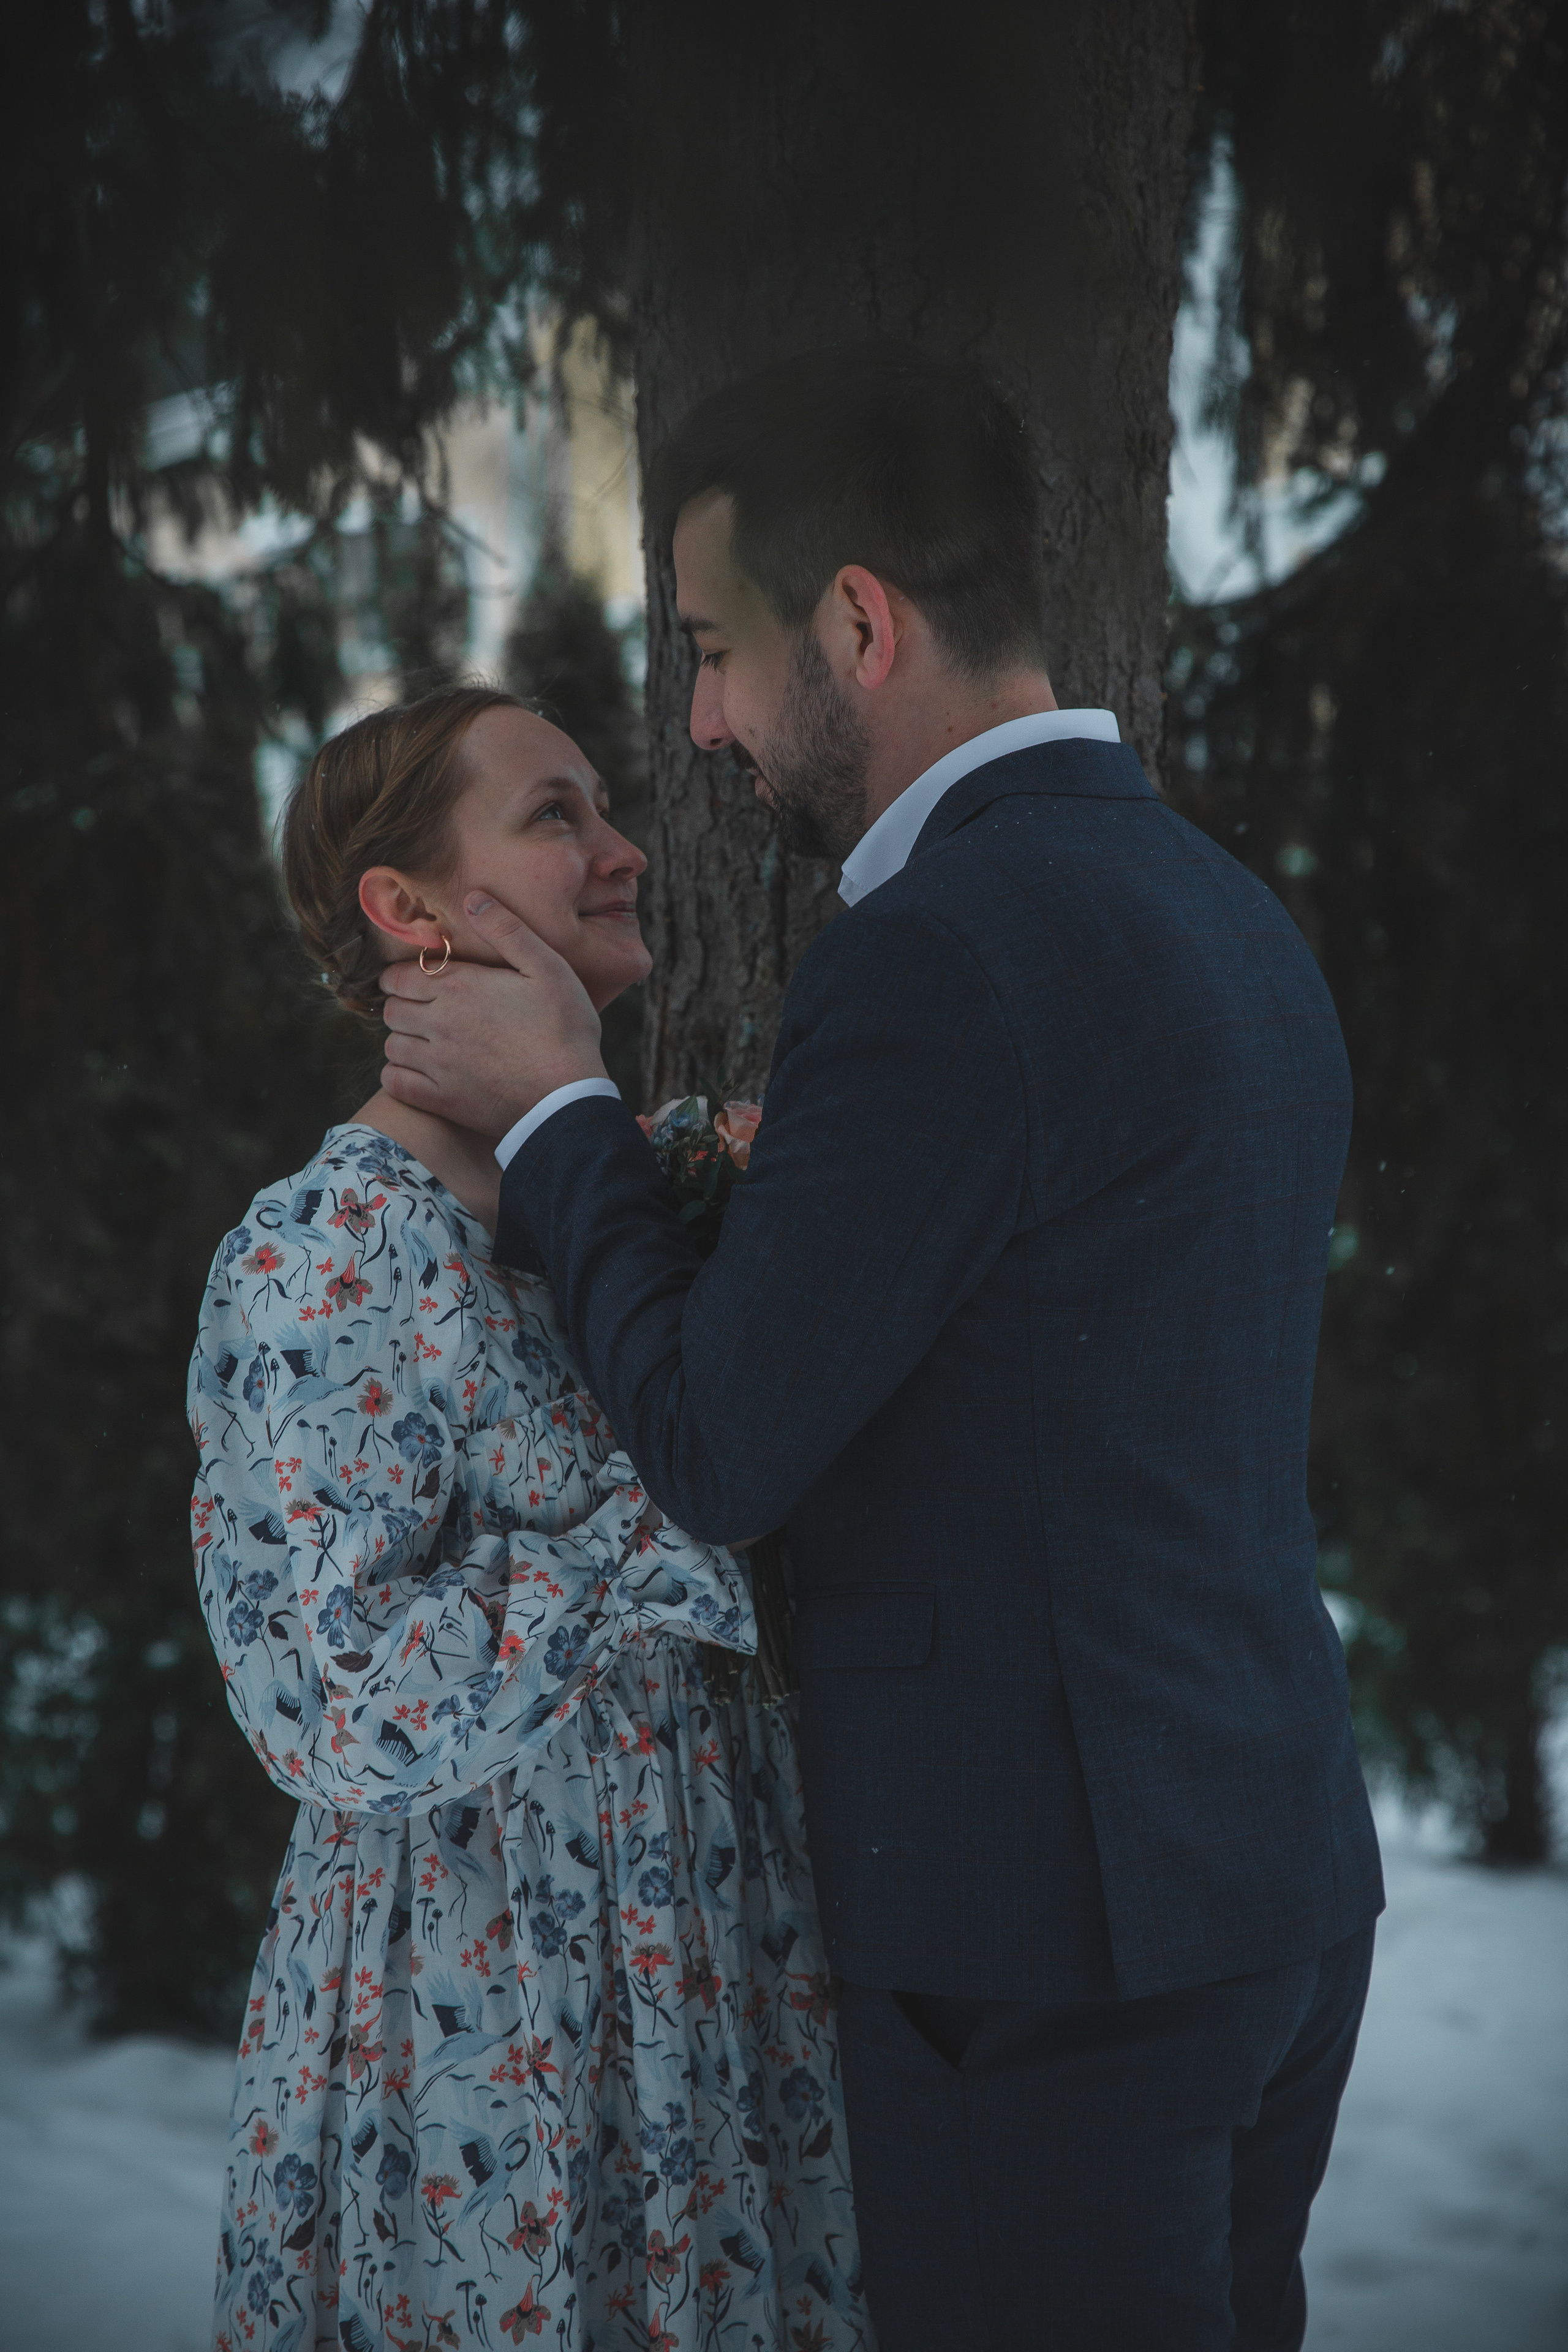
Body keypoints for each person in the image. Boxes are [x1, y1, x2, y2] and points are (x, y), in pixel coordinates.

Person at [376, 345, 1387, 2351]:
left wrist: (567, 1109)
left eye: (714, 653)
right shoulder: (1229, 913)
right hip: (1265, 1882)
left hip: (1050, 1942)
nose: (701, 721)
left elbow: (724, 1444)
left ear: (857, 623)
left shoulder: (934, 951)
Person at [187, 685, 872, 2352]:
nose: (626, 851)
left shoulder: (627, 1202)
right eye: (556, 814)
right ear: (408, 912)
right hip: (484, 2018)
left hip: (714, 1974)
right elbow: (332, 1697)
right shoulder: (327, 1252)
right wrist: (658, 1542)